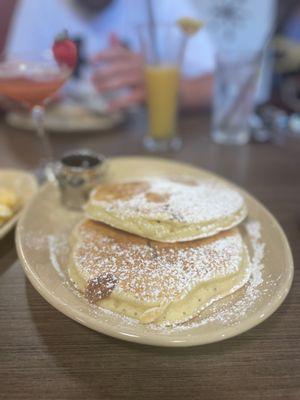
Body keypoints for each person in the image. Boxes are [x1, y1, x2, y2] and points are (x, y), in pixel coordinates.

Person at [5, 0, 214, 111]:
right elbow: (9, 86)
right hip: (57, 145)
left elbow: (215, 85)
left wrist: (163, 88)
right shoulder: (37, 4)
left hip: (139, 145)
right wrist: (19, 96)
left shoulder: (158, 4)